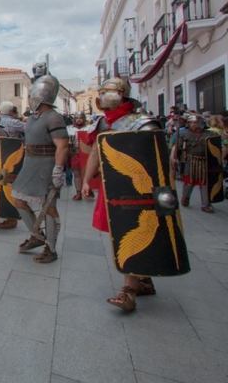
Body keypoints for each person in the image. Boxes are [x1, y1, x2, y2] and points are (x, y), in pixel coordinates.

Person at [81, 77, 161, 312]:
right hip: (113, 185)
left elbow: (156, 158)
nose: (102, 95)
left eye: (106, 91)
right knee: (121, 230)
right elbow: (96, 151)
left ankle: (128, 290)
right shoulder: (104, 123)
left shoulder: (142, 122)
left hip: (138, 188)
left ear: (120, 94)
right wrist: (86, 180)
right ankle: (143, 280)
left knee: (129, 232)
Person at [11, 75, 69, 263]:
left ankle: (51, 249)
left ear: (41, 96)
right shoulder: (34, 117)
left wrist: (58, 169)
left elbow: (62, 145)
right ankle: (36, 235)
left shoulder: (54, 118)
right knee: (18, 199)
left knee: (49, 207)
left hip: (46, 165)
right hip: (30, 163)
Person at [175, 113, 218, 213]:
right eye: (193, 122)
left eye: (197, 122)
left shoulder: (210, 134)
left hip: (205, 161)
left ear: (202, 123)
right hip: (191, 160)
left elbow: (217, 147)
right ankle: (185, 198)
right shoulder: (183, 133)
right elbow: (178, 148)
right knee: (189, 182)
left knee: (205, 183)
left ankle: (206, 204)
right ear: (188, 124)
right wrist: (176, 159)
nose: (195, 124)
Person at [66, 112, 88, 201]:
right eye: (77, 118)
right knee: (76, 174)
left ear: (84, 119)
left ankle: (87, 190)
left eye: (81, 118)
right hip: (74, 153)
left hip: (86, 153)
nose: (79, 119)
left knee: (87, 173)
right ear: (74, 119)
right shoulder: (69, 129)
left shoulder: (89, 128)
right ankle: (78, 192)